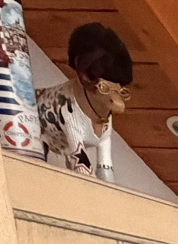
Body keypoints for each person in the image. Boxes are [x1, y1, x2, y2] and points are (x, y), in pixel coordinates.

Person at [37, 23, 132, 180]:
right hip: (40, 128)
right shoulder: (69, 109)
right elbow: (80, 161)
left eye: (122, 92)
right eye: (104, 88)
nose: (117, 100)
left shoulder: (104, 111)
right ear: (85, 77)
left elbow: (104, 152)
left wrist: (109, 184)